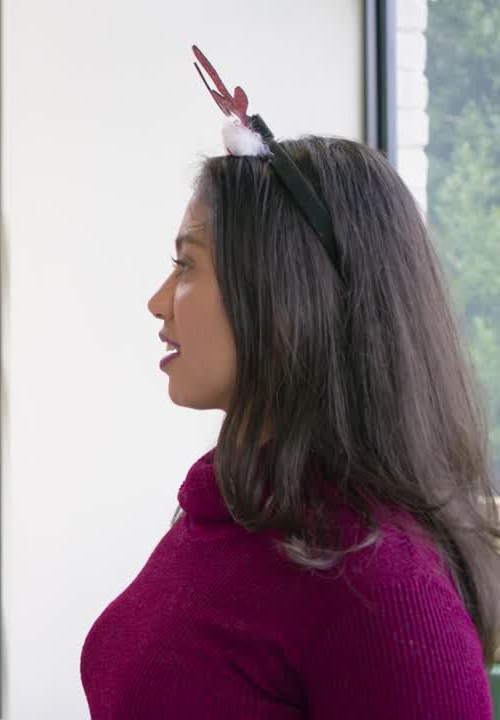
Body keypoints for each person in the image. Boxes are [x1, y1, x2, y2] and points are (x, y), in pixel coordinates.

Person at [80, 47, 500, 718]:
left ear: (286, 298)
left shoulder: (382, 589)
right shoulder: (224, 516)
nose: (159, 301)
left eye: (187, 265)